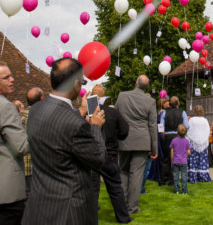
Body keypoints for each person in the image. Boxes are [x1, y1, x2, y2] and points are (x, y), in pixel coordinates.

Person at [22, 57, 106, 225]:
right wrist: (95, 126)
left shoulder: (36, 110)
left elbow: (59, 128)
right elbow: (98, 158)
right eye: (82, 81)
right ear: (75, 84)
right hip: (68, 213)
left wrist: (80, 111)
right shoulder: (75, 124)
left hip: (38, 208)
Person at [115, 75, 157, 215]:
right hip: (141, 141)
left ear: (136, 83)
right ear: (146, 87)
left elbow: (116, 117)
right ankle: (132, 208)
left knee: (123, 171)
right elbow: (152, 126)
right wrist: (154, 148)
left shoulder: (122, 96)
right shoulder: (150, 101)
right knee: (136, 175)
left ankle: (123, 206)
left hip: (124, 138)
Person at [90, 85, 131, 224]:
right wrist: (116, 138)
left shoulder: (89, 113)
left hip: (92, 153)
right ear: (104, 96)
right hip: (109, 153)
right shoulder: (113, 113)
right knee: (115, 188)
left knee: (92, 188)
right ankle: (123, 218)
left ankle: (91, 217)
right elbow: (125, 129)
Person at [0, 61, 29, 225]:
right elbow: (21, 147)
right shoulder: (5, 107)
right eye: (6, 77)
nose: (12, 80)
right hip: (7, 195)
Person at [159, 96, 189, 185]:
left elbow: (161, 127)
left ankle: (163, 180)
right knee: (176, 158)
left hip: (167, 136)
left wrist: (164, 135)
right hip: (178, 135)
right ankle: (172, 180)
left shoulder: (164, 112)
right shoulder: (182, 112)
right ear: (178, 103)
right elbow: (187, 126)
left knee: (166, 158)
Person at [187, 105, 212, 183]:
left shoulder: (191, 120)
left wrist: (191, 139)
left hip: (193, 142)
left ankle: (193, 176)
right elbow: (207, 131)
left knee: (193, 160)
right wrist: (203, 139)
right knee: (202, 160)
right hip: (202, 143)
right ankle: (203, 176)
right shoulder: (205, 120)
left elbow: (189, 130)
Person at [170, 124, 191, 194]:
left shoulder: (174, 140)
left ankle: (177, 190)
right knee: (184, 177)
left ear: (177, 132)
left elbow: (172, 152)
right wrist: (186, 157)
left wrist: (172, 161)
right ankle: (184, 191)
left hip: (175, 161)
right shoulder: (187, 141)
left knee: (176, 177)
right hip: (183, 162)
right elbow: (188, 152)